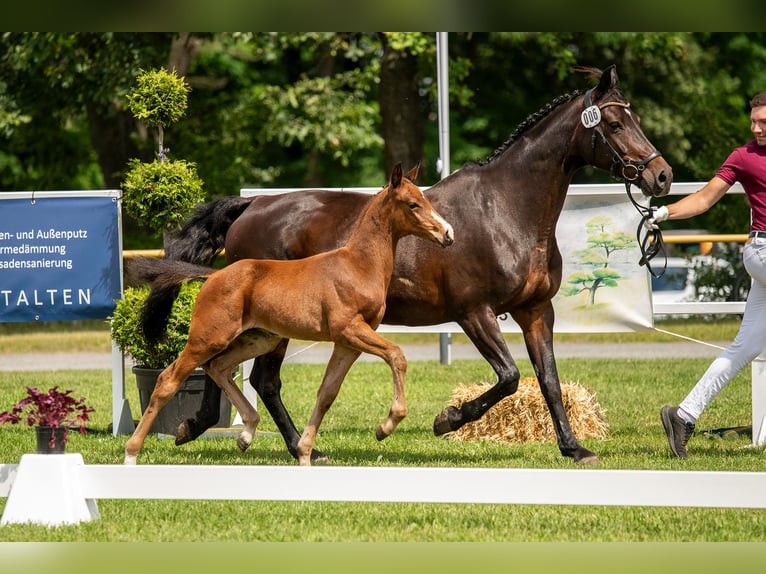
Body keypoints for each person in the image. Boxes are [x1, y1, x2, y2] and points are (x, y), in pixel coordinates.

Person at [649, 91, 766, 458]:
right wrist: (664, 214)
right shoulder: (743, 157)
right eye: (753, 121)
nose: (756, 128)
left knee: (743, 348)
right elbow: (704, 198)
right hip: (763, 250)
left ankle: (683, 415)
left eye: (764, 122)